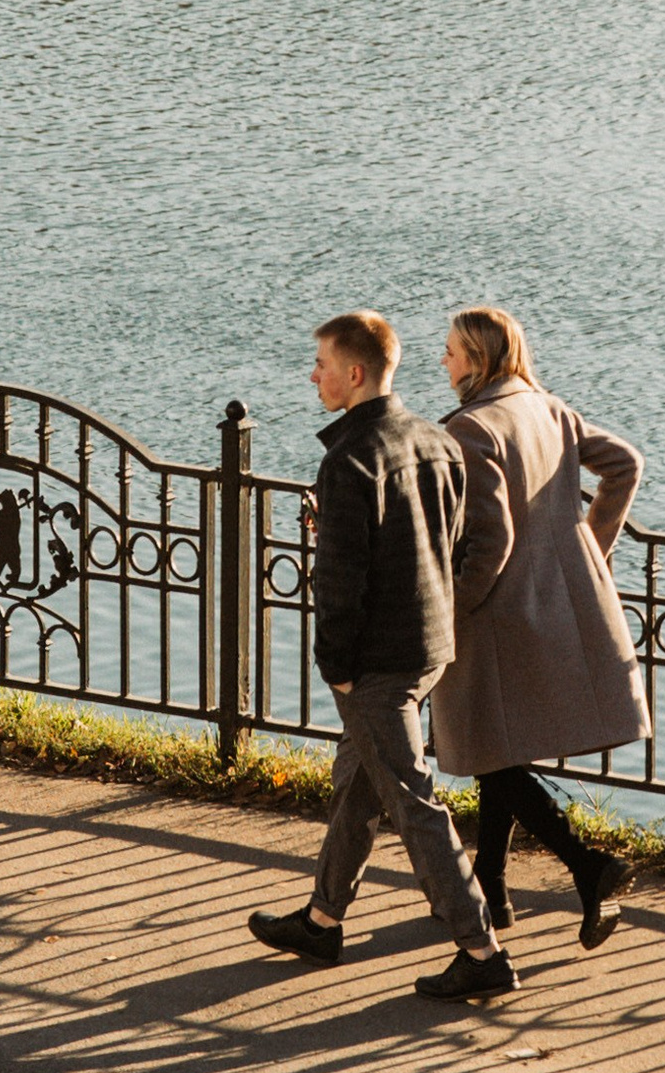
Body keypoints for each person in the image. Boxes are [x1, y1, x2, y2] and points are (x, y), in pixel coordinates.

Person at [249, 310, 517, 1008]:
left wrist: (334, 664)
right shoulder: (435, 440)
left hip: (376, 661)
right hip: (430, 645)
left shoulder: (349, 461)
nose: (314, 376)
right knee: (362, 781)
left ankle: (481, 949)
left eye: (322, 366)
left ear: (356, 374)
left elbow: (343, 579)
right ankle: (321, 921)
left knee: (411, 801)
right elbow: (449, 542)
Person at [429, 305, 645, 949]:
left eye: (449, 351)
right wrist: (588, 550)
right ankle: (491, 891)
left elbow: (489, 541)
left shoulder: (472, 429)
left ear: (476, 359)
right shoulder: (549, 408)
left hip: (495, 615)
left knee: (491, 754)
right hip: (551, 603)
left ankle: (588, 864)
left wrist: (452, 607)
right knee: (503, 749)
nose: (442, 361)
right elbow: (626, 465)